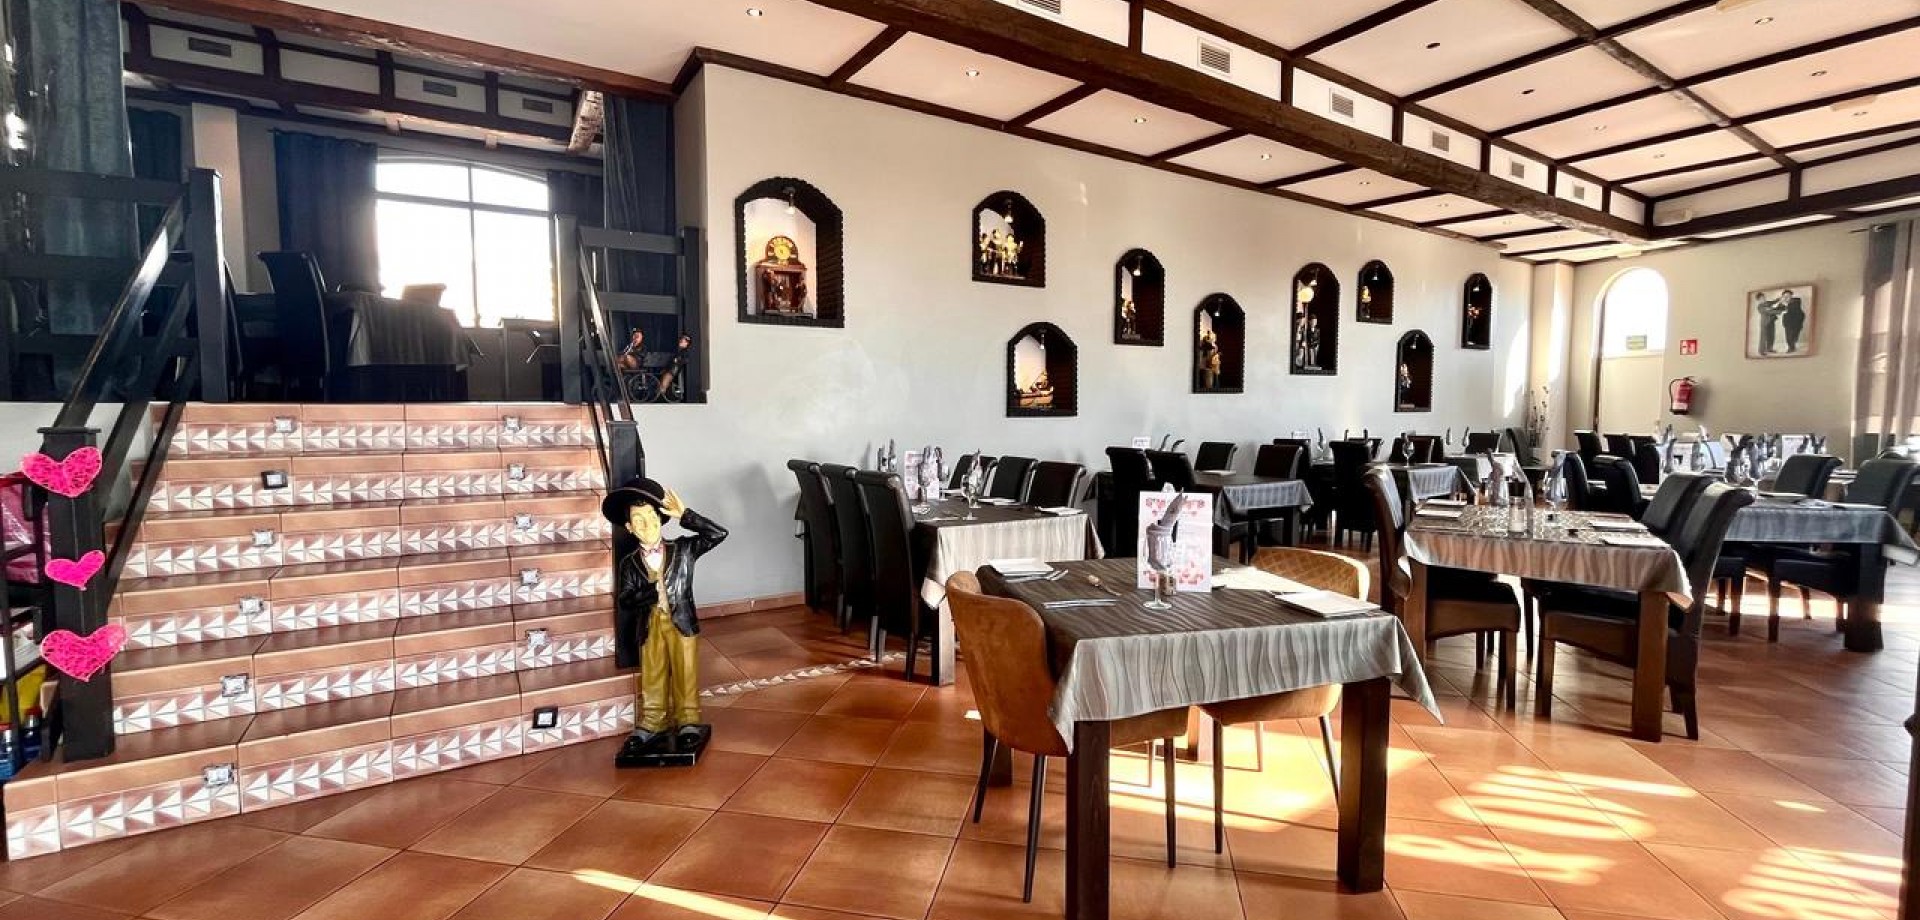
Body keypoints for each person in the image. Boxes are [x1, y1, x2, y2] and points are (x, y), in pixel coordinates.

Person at [603, 477, 728, 765]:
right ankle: (653, 721)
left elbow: (718, 534)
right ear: (629, 528)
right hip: (650, 626)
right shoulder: (630, 563)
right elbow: (625, 600)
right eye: (638, 520)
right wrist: (648, 593)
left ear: (660, 519)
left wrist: (686, 516)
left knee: (685, 671)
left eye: (651, 517)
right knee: (653, 673)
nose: (647, 525)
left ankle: (688, 720)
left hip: (681, 622)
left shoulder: (683, 550)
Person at [1780, 289, 1807, 353]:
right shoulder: (1783, 304)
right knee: (1788, 337)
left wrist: (1786, 304)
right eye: (1785, 296)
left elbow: (1794, 308)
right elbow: (1781, 311)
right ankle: (1791, 348)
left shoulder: (1797, 301)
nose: (1786, 297)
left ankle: (1793, 346)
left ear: (1791, 296)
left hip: (1797, 322)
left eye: (1788, 296)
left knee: (1795, 336)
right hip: (1788, 322)